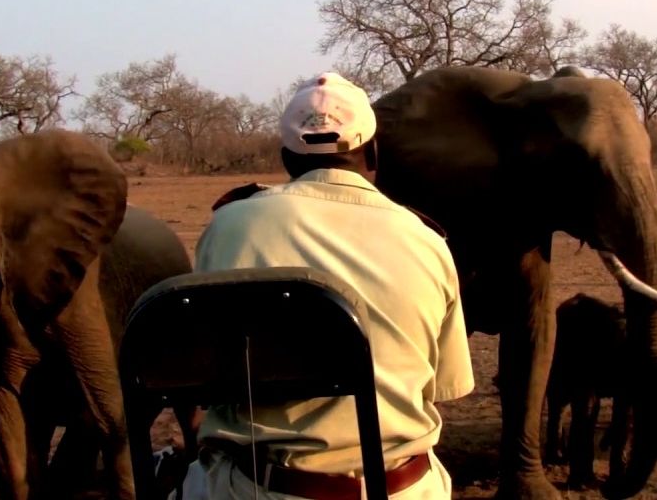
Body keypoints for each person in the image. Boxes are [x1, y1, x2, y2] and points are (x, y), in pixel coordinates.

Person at [183, 72, 474, 499]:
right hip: (402, 487)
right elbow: (443, 385)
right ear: (373, 152)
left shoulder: (229, 226)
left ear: (287, 157)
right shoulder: (425, 240)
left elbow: (209, 376)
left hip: (258, 487)